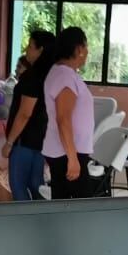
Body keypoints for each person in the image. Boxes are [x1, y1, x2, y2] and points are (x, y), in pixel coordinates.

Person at [42, 26, 99, 200]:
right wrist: (72, 158)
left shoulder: (65, 74)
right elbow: (63, 119)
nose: (87, 51)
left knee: (65, 203)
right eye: (86, 46)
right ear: (79, 48)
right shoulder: (64, 76)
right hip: (67, 153)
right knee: (81, 208)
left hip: (67, 151)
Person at [0, 28, 55, 201]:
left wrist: (9, 142)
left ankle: (26, 224)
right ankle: (42, 223)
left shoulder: (32, 77)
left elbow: (24, 113)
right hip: (41, 139)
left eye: (30, 46)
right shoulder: (52, 75)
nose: (26, 49)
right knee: (36, 184)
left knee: (18, 185)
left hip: (24, 141)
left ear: (41, 51)